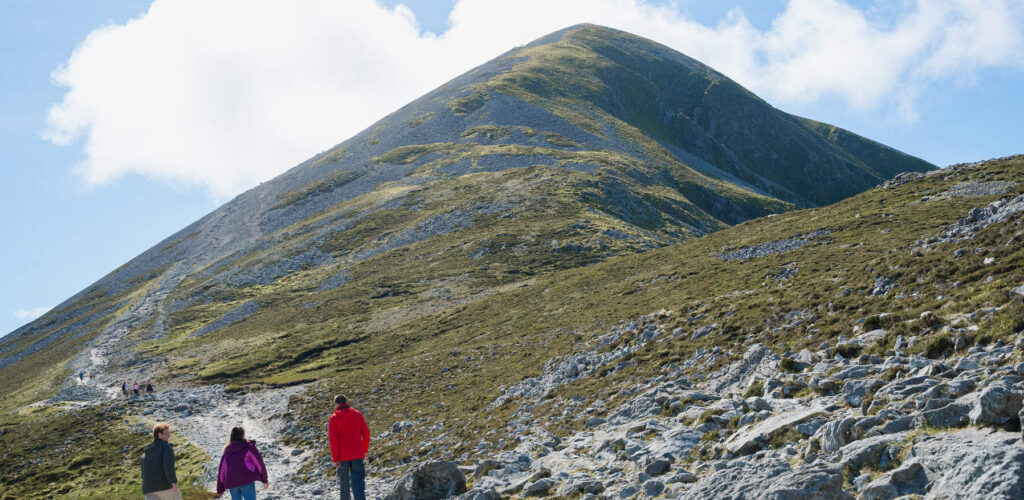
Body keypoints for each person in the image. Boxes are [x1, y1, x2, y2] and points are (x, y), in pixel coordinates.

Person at [329, 395, 370, 500]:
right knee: (358, 481)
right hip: (357, 453)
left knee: (344, 482)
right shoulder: (357, 414)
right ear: (346, 402)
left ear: (336, 403)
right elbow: (366, 433)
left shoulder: (334, 418)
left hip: (342, 456)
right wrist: (364, 450)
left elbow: (333, 440)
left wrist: (335, 458)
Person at [216, 426, 269, 499]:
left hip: (232, 483)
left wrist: (220, 488)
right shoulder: (248, 447)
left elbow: (222, 470)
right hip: (247, 480)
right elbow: (259, 463)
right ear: (243, 435)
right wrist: (264, 479)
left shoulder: (227, 451)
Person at [141, 423, 180, 500]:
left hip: (148, 490)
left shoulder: (146, 452)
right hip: (164, 487)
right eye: (166, 433)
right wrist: (173, 482)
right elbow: (168, 467)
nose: (169, 436)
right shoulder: (166, 448)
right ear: (159, 434)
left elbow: (143, 474)